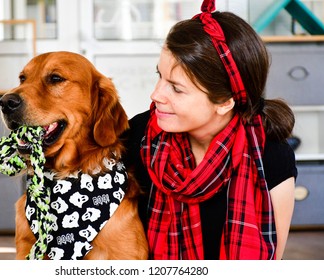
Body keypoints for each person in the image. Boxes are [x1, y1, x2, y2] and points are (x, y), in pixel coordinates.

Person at [124, 0, 297, 260]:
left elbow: (271, 264)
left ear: (225, 102)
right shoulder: (139, 136)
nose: (156, 94)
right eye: (159, 76)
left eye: (176, 88)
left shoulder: (271, 156)